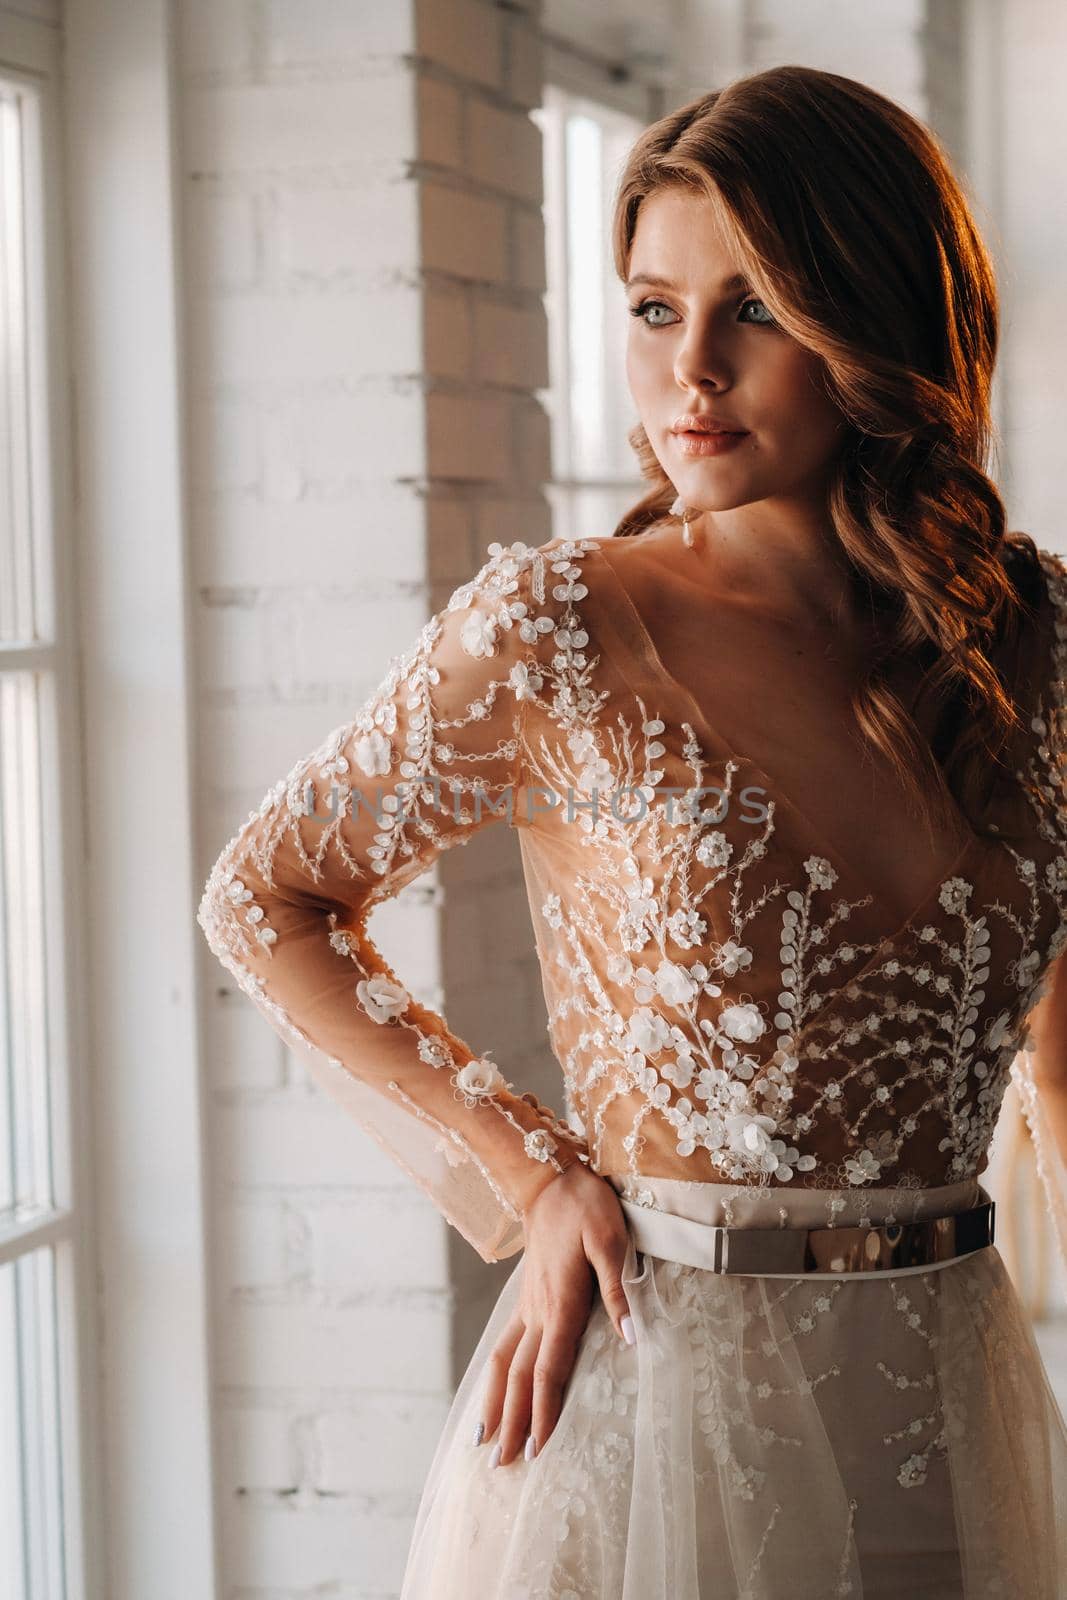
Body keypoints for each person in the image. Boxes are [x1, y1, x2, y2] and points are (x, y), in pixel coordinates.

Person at [197, 64, 1067, 1599]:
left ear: (878, 323)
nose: (694, 373)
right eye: (656, 310)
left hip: (949, 1399)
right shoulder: (561, 628)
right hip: (662, 1404)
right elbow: (266, 895)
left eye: (761, 310)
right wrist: (533, 1175)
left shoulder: (1039, 639)